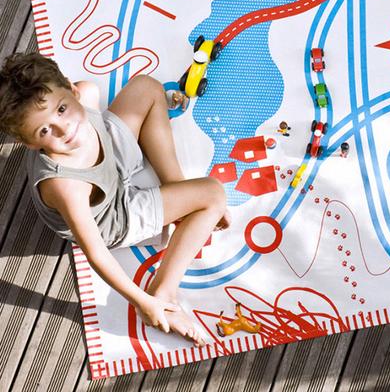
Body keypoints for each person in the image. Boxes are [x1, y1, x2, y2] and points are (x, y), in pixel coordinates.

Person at [0, 52, 230, 347]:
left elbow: (88, 102)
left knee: (146, 87)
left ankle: (177, 188)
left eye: (62, 109)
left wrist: (181, 195)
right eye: (44, 130)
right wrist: (142, 302)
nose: (64, 128)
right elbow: (95, 252)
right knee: (213, 193)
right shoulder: (64, 185)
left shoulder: (84, 96)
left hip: (111, 159)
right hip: (113, 216)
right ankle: (164, 292)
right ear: (29, 143)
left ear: (71, 89)